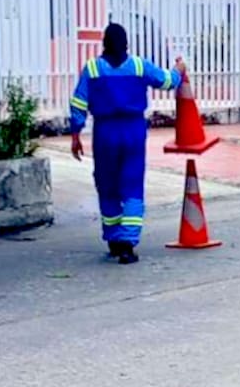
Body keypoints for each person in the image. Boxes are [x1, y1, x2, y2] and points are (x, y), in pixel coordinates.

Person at [69, 23, 183, 264]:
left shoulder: (92, 69)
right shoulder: (139, 66)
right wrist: (179, 70)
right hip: (133, 131)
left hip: (104, 132)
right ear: (126, 44)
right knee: (131, 185)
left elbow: (79, 103)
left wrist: (75, 134)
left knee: (107, 184)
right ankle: (127, 246)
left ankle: (113, 238)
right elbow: (167, 81)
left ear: (104, 43)